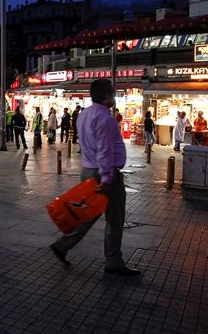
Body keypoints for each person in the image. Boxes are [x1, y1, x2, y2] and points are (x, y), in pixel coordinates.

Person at [50, 79, 140, 276]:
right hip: (104, 173)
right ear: (107, 96)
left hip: (88, 170)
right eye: (113, 93)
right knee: (115, 219)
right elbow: (105, 151)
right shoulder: (105, 119)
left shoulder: (84, 115)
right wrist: (107, 179)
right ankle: (113, 261)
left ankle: (63, 245)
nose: (115, 97)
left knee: (88, 215)